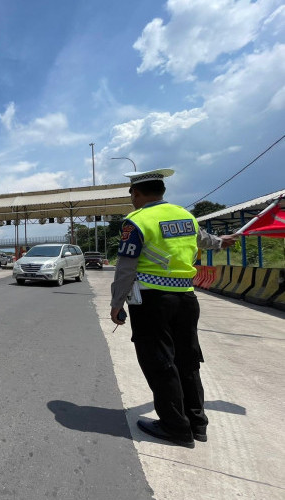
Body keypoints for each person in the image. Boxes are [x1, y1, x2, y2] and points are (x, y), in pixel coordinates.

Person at [110, 168, 237, 448]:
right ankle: (196, 422)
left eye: (132, 194)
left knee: (160, 362)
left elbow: (126, 267)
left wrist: (116, 303)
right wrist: (222, 241)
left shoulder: (137, 221)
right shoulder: (185, 215)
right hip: (186, 298)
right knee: (187, 361)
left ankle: (174, 426)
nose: (132, 199)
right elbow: (204, 240)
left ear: (137, 193)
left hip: (152, 301)